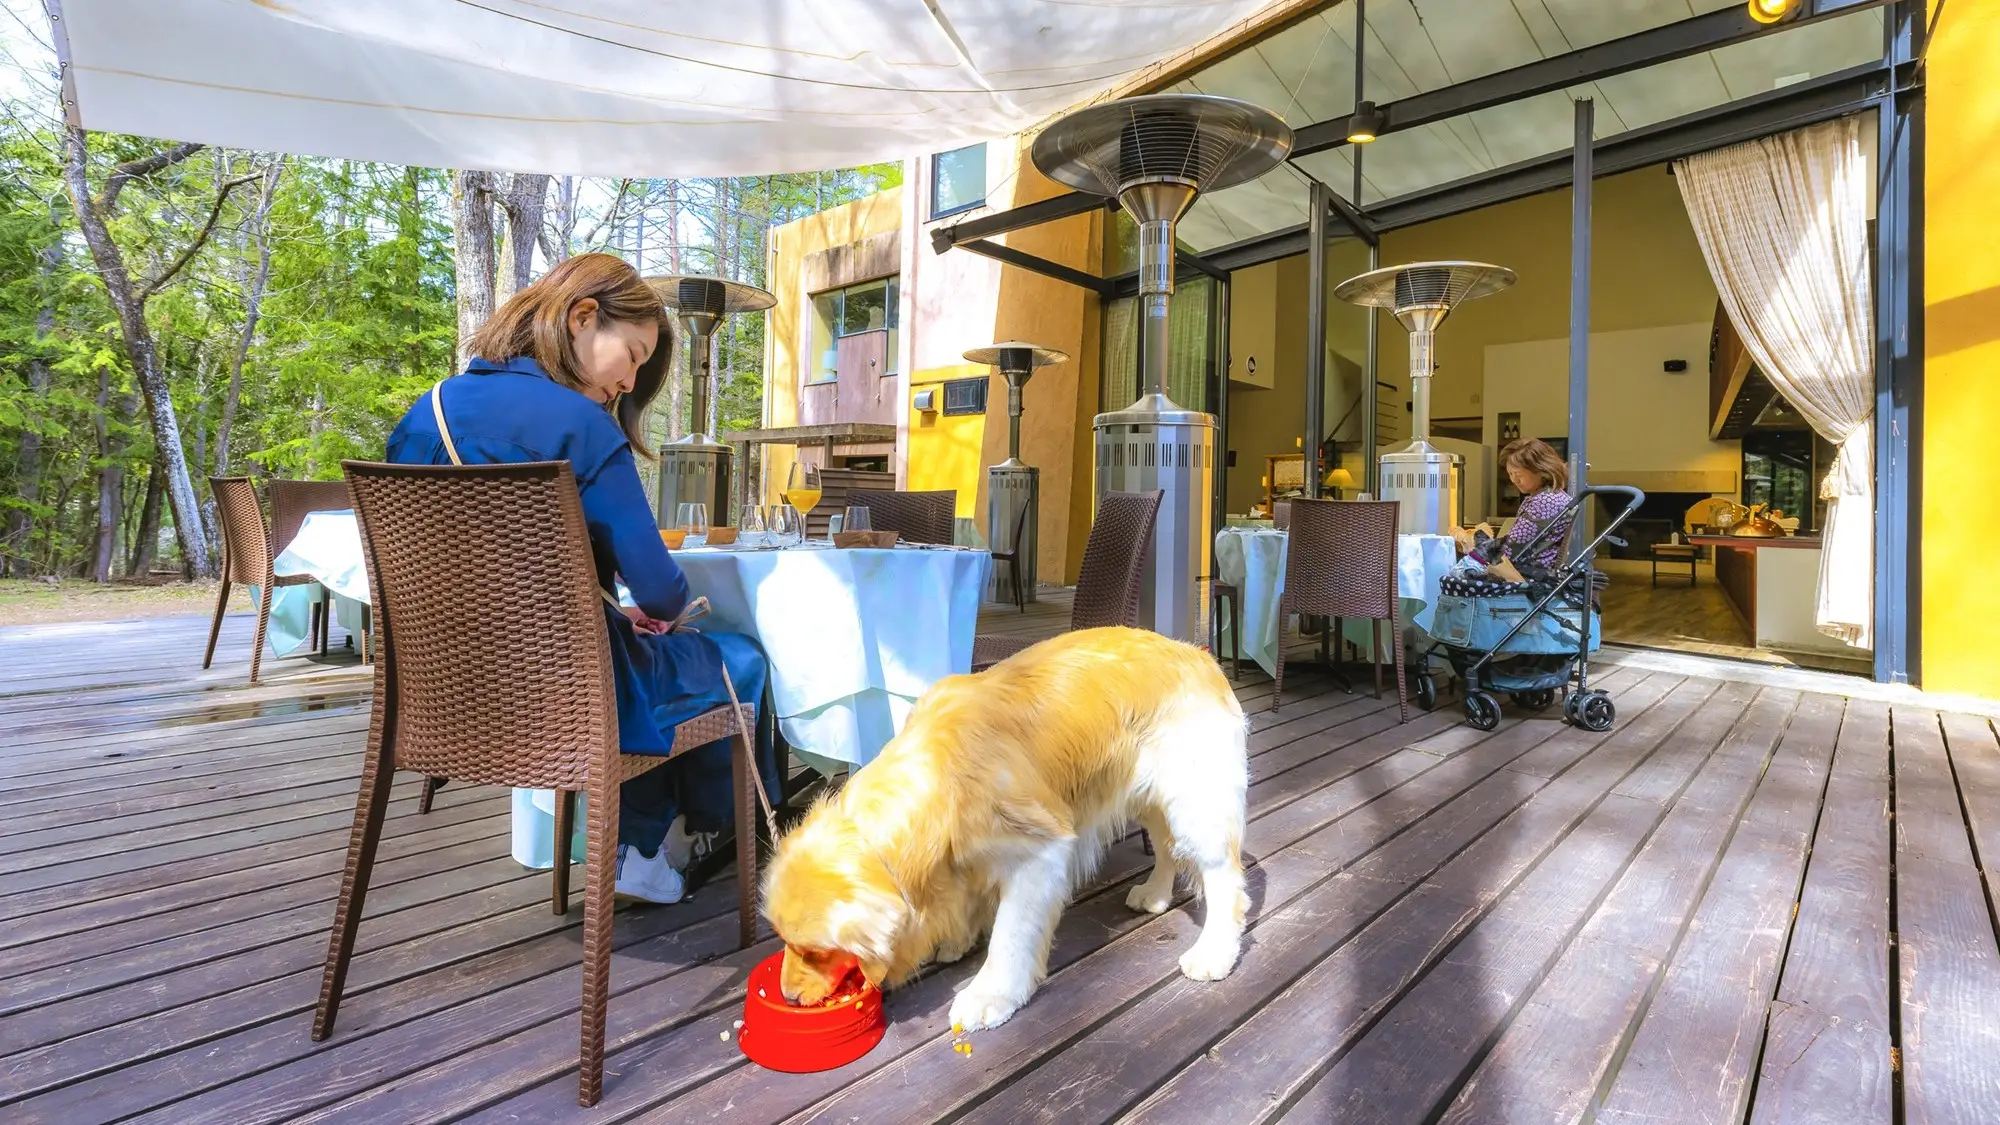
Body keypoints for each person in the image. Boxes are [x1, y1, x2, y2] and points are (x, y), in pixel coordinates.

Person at [385, 252, 778, 905]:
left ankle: (644, 835)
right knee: (735, 656)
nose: (629, 381)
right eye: (632, 354)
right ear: (582, 317)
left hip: (445, 693)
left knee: (630, 649)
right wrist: (659, 609)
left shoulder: (423, 415)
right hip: (567, 696)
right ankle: (666, 839)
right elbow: (659, 589)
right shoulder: (581, 426)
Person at [1456, 437, 1575, 572]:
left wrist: (1469, 544)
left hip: (1528, 575)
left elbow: (1509, 550)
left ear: (1541, 470)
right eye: (1510, 474)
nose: (1514, 480)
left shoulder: (1545, 502)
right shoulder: (1551, 496)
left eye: (1518, 474)